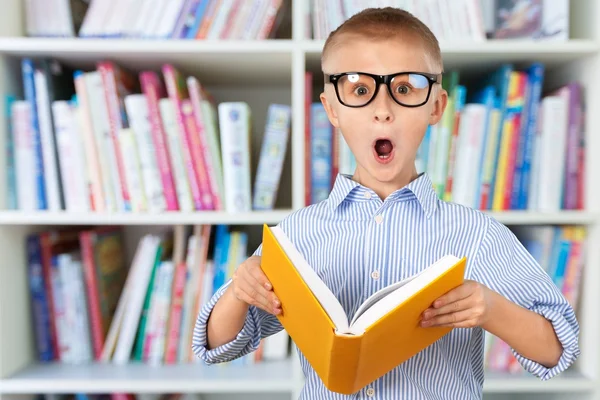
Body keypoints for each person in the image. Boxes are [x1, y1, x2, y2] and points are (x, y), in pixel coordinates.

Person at [191, 7, 580, 399]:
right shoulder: (297, 235)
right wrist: (240, 290)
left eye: (405, 88)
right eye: (360, 89)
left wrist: (491, 309)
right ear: (332, 109)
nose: (383, 110)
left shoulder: (477, 234)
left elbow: (557, 350)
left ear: (436, 107)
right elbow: (215, 345)